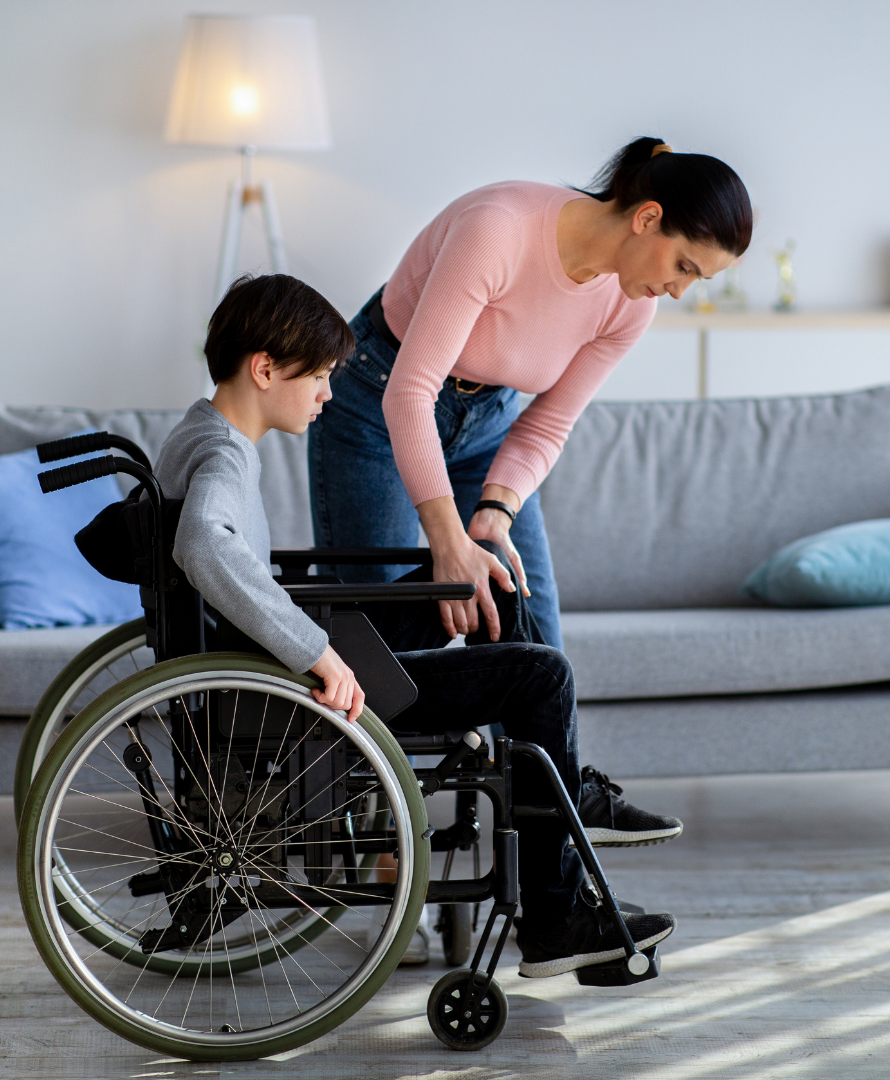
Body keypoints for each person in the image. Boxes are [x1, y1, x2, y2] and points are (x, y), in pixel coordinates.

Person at [154, 273, 677, 977]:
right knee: (541, 675)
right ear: (265, 368)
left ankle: (564, 808)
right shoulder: (222, 454)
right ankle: (555, 914)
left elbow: (217, 555)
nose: (329, 396)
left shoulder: (206, 431)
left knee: (483, 576)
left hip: (292, 659)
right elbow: (204, 546)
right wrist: (320, 655)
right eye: (320, 377)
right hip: (304, 685)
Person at [309, 135, 752, 656]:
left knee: (535, 647)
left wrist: (497, 510)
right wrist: (450, 542)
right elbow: (410, 392)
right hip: (378, 403)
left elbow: (546, 426)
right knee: (385, 650)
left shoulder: (631, 307)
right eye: (684, 267)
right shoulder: (499, 230)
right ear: (647, 218)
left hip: (488, 427)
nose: (681, 290)